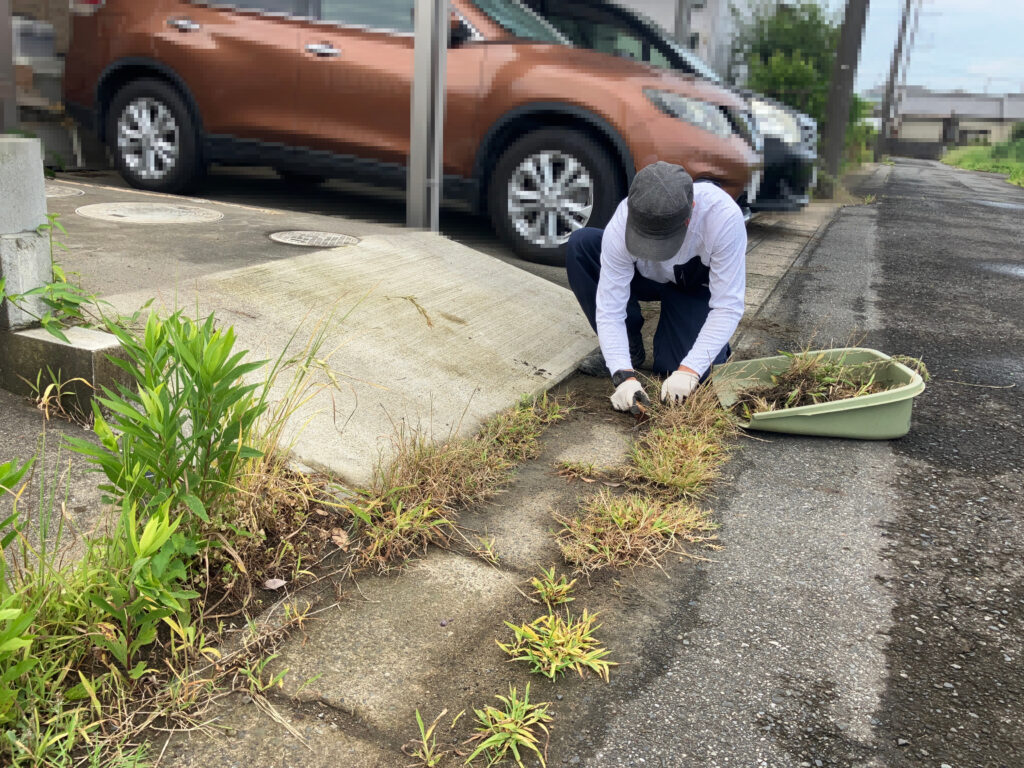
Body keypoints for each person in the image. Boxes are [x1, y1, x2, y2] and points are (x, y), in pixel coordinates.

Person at [566, 161, 746, 413]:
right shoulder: (623, 219)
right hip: (645, 278)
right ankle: (631, 347)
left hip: (691, 285)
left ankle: (701, 341)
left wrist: (690, 370)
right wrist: (622, 374)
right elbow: (609, 307)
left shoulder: (723, 217)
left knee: (684, 375)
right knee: (582, 244)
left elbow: (728, 305)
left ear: (690, 211)